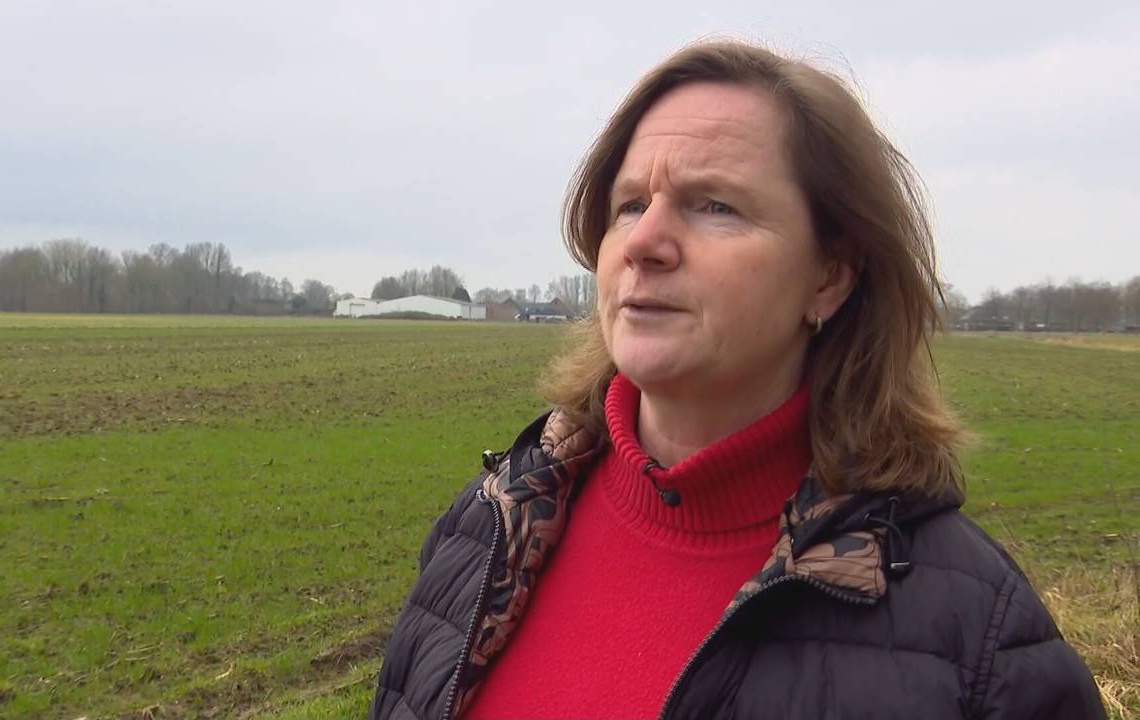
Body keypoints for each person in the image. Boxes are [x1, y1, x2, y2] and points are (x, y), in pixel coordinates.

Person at [369, 41, 1105, 720]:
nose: (644, 243)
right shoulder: (490, 527)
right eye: (630, 205)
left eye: (714, 206)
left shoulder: (978, 642)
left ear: (830, 276)